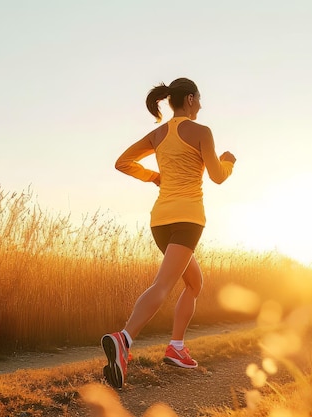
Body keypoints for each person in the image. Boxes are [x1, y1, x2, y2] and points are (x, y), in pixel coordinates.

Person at [101, 77, 236, 389]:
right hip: (187, 219)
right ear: (189, 99)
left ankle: (176, 348)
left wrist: (154, 177)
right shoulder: (202, 132)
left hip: (160, 222)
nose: (201, 105)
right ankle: (124, 339)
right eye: (199, 99)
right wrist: (228, 162)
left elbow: (122, 163)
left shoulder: (159, 133)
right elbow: (217, 177)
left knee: (194, 282)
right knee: (163, 285)